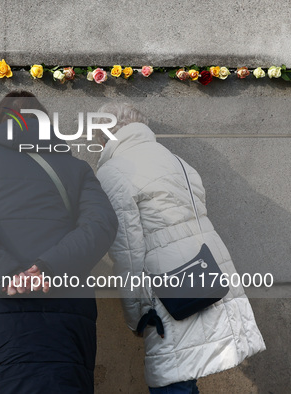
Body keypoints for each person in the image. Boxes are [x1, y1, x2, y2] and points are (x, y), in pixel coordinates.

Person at [0, 91, 118, 393]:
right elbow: (102, 224)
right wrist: (49, 268)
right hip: (63, 310)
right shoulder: (76, 169)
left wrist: (4, 272)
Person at [95, 103, 265, 393]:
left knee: (172, 377)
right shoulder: (177, 161)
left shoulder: (112, 173)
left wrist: (137, 314)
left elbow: (127, 252)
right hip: (207, 272)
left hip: (166, 288)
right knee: (186, 371)